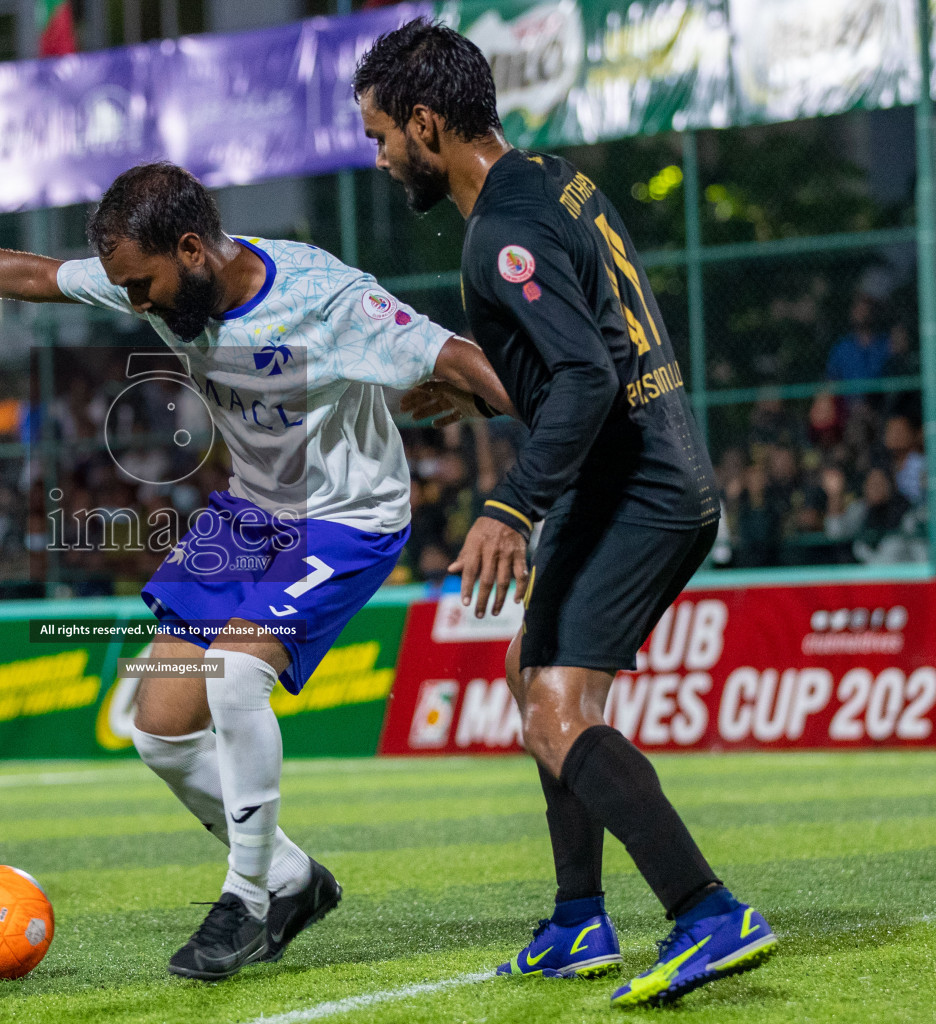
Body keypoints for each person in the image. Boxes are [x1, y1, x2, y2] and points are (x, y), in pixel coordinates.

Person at [0, 161, 513, 980]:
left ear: (191, 249)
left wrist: (536, 444)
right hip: (253, 513)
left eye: (142, 286)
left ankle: (249, 898)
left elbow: (457, 357)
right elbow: (34, 276)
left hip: (347, 518)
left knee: (234, 680)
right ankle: (289, 875)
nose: (135, 305)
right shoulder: (154, 276)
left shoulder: (325, 297)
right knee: (158, 728)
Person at [354, 20, 776, 1008]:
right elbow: (579, 350)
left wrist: (508, 503)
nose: (378, 159)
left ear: (427, 123)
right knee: (527, 673)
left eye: (381, 136)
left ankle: (709, 912)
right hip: (640, 470)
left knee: (555, 708)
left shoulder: (501, 231)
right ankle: (579, 918)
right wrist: (479, 387)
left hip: (638, 485)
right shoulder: (551, 180)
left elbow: (586, 377)